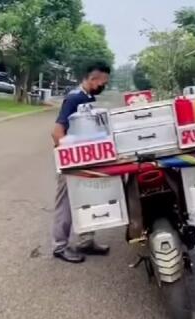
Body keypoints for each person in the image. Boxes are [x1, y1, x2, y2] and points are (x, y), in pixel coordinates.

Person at [50, 62, 111, 263]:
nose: (105, 85)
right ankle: (59, 247)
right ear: (94, 79)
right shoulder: (74, 98)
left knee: (88, 200)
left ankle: (86, 241)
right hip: (73, 161)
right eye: (104, 81)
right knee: (66, 203)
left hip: (86, 160)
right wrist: (69, 160)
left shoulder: (87, 98)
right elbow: (57, 132)